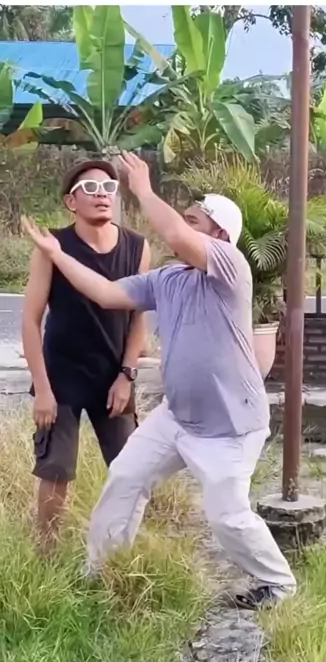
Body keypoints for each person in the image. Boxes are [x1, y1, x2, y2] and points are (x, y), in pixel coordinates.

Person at [21, 151, 296, 609]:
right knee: (125, 478)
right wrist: (55, 254)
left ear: (218, 235)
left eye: (194, 221)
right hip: (176, 418)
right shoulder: (167, 278)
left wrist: (143, 190)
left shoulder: (230, 268)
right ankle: (101, 570)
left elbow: (171, 233)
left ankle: (278, 584)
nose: (183, 226)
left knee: (227, 516)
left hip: (230, 427)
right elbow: (106, 293)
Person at [22, 157, 150, 552]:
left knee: (130, 469)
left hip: (113, 378)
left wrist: (127, 375)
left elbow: (138, 319)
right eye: (90, 189)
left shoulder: (137, 247)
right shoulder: (52, 246)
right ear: (70, 202)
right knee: (55, 470)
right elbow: (30, 320)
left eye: (109, 188)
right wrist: (43, 389)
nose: (101, 195)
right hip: (61, 379)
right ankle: (46, 554)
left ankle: (117, 553)